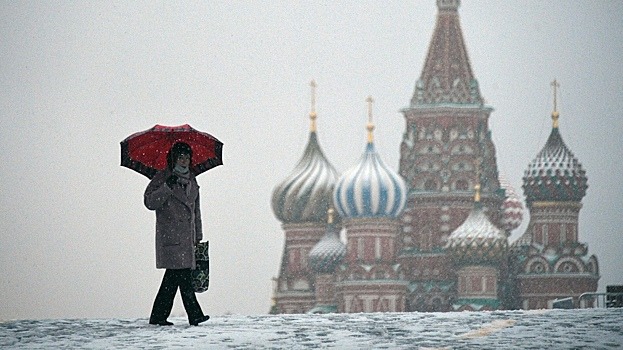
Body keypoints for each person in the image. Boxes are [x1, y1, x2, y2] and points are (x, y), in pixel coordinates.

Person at [144, 142, 210, 326]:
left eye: (187, 157)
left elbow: (196, 210)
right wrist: (167, 187)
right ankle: (194, 314)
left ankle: (158, 316)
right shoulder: (163, 178)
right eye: (181, 157)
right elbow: (150, 202)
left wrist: (198, 235)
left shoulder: (192, 180)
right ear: (173, 158)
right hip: (171, 237)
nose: (185, 161)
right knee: (181, 277)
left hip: (187, 238)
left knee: (173, 279)